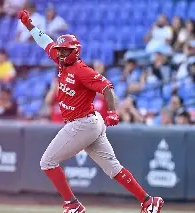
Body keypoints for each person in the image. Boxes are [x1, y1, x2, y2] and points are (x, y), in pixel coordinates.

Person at [18, 9, 164, 213]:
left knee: (47, 162)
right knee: (113, 168)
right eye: (60, 49)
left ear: (75, 52)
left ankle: (72, 204)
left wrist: (113, 111)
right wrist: (30, 26)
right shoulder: (61, 61)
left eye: (65, 50)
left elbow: (107, 88)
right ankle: (148, 201)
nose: (60, 52)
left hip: (82, 123)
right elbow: (45, 41)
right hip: (89, 123)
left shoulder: (81, 70)